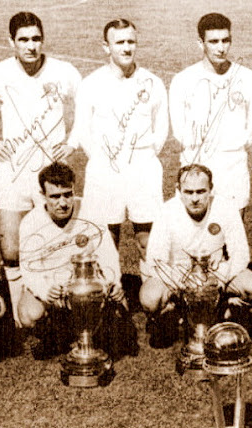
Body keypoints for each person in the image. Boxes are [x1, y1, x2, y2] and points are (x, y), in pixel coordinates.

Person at [0, 12, 82, 326]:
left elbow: (91, 107)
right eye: (23, 39)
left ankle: (62, 311)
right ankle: (19, 318)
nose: (30, 46)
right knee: (11, 249)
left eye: (36, 38)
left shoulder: (64, 72)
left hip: (51, 177)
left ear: (43, 39)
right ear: (11, 42)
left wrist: (74, 141)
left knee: (52, 243)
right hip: (12, 172)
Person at [67, 19, 168, 277]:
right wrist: (105, 159)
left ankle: (153, 297)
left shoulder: (152, 82)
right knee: (104, 239)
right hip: (104, 171)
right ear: (106, 46)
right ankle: (111, 295)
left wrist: (140, 157)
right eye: (119, 42)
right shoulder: (91, 83)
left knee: (148, 239)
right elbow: (82, 129)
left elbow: (161, 130)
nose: (126, 48)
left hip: (143, 169)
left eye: (130, 41)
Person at [140, 164, 252, 344]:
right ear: (178, 190)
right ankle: (176, 313)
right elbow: (155, 259)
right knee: (150, 297)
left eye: (200, 191)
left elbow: (241, 254)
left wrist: (220, 279)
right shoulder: (167, 211)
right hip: (178, 276)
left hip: (216, 274)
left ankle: (224, 310)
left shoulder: (226, 207)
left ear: (210, 190)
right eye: (188, 192)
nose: (194, 198)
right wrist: (183, 282)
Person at [18, 163, 132, 359]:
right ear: (42, 195)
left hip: (87, 285)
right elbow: (29, 270)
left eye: (67, 194)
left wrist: (112, 283)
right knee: (29, 314)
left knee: (122, 312)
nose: (63, 202)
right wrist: (46, 291)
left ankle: (91, 329)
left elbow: (108, 255)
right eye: (55, 196)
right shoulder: (31, 222)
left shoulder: (91, 210)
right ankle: (57, 331)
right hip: (53, 287)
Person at [169, 13, 252, 214]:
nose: (221, 48)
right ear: (200, 43)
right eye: (213, 42)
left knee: (233, 237)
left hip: (233, 166)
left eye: (225, 40)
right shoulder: (183, 80)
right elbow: (179, 130)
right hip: (196, 166)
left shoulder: (248, 77)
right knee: (192, 237)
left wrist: (232, 145)